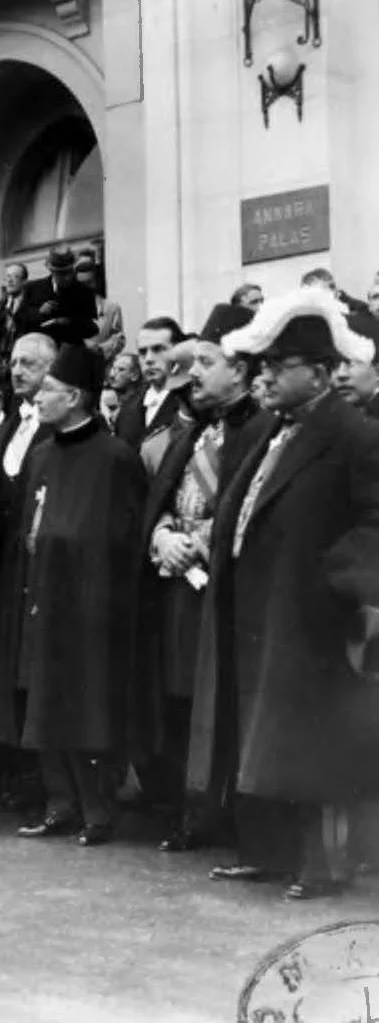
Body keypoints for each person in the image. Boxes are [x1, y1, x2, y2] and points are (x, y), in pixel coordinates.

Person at [192, 289, 379, 900]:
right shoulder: (271, 429)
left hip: (314, 616)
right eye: (263, 366)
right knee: (263, 735)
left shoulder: (354, 434)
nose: (264, 376)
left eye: (280, 366)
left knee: (312, 741)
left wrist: (334, 587)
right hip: (258, 608)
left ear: (321, 373)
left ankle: (322, 864)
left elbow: (374, 524)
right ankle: (268, 853)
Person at [140, 303, 273, 850]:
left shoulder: (264, 430)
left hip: (225, 591)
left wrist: (197, 542)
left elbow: (252, 504)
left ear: (239, 370)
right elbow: (165, 498)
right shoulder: (195, 430)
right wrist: (163, 534)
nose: (192, 373)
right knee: (177, 697)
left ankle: (229, 818)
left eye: (206, 361)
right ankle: (191, 811)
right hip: (179, 588)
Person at [11, 345, 147, 846]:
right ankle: (60, 803)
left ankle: (97, 810)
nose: (37, 398)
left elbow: (124, 540)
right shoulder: (41, 455)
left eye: (47, 390)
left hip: (92, 605)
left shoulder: (115, 458)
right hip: (43, 596)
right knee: (44, 703)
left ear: (75, 398)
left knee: (88, 707)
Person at [0, 334, 58, 810]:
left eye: (29, 363)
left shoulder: (54, 429)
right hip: (4, 566)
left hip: (38, 564)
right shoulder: (11, 425)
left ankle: (43, 782)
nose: (17, 371)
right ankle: (15, 776)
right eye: (13, 363)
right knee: (6, 670)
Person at [115, 316, 192, 475]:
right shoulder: (127, 410)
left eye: (158, 349)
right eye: (143, 352)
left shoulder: (189, 405)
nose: (149, 359)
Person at [15, 246, 99, 345]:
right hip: (40, 349)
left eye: (69, 272)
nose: (67, 277)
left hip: (70, 352)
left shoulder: (84, 292)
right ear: (52, 271)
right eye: (61, 273)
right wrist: (39, 313)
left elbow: (92, 329)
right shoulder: (33, 289)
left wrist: (69, 323)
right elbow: (19, 321)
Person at [76, 250, 125, 360]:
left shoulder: (112, 308)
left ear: (96, 281)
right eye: (81, 284)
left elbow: (118, 339)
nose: (85, 287)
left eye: (89, 282)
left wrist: (99, 349)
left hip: (103, 366)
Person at [0, 263, 29, 369]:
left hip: (20, 363)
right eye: (8, 277)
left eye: (15, 277)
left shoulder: (30, 306)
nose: (10, 280)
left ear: (24, 281)